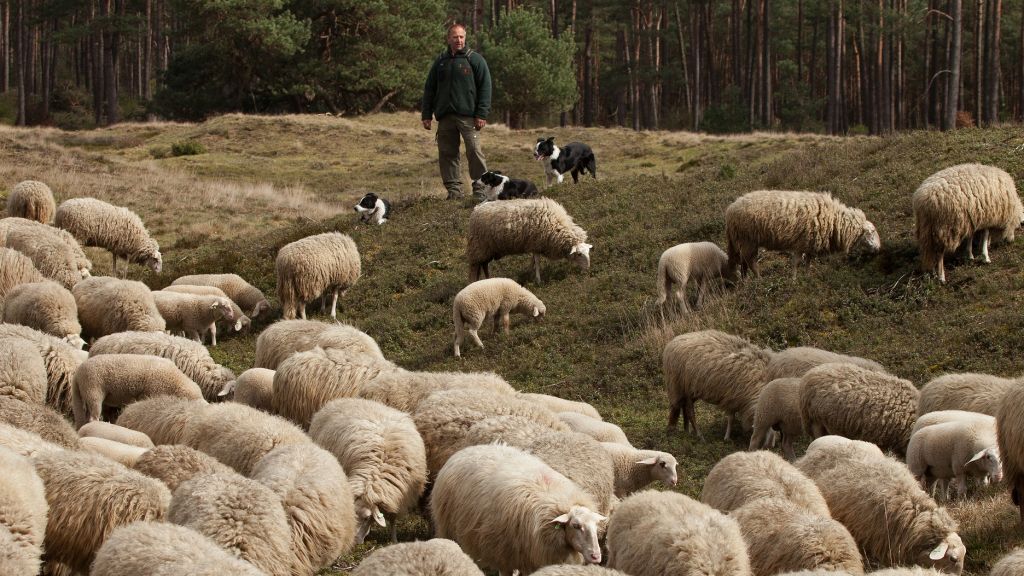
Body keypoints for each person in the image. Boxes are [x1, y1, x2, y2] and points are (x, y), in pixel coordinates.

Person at [421, 23, 492, 200]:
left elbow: (485, 87)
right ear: (448, 39)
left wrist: (481, 114)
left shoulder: (475, 60)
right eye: (455, 37)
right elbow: (430, 88)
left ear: (465, 37)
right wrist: (426, 115)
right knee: (447, 153)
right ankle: (454, 191)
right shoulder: (440, 61)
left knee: (474, 151)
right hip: (445, 117)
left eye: (461, 37)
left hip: (469, 117)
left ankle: (480, 189)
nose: (459, 40)